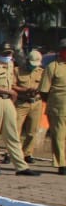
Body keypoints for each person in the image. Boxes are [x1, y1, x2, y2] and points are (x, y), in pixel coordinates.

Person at [0, 42, 32, 175]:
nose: (7, 55)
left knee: (13, 133)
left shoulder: (10, 65)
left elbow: (12, 84)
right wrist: (10, 92)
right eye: (5, 53)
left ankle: (21, 166)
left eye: (9, 53)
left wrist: (13, 94)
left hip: (7, 100)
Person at [40, 37, 66, 175]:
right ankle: (62, 164)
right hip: (58, 108)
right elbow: (44, 90)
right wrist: (52, 102)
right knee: (59, 136)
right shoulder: (53, 67)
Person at [14, 50, 45, 162]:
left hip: (36, 102)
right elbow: (12, 85)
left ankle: (27, 153)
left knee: (32, 130)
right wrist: (25, 90)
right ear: (27, 61)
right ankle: (13, 153)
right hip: (21, 102)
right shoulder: (17, 71)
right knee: (15, 129)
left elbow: (45, 86)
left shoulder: (42, 72)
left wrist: (38, 91)